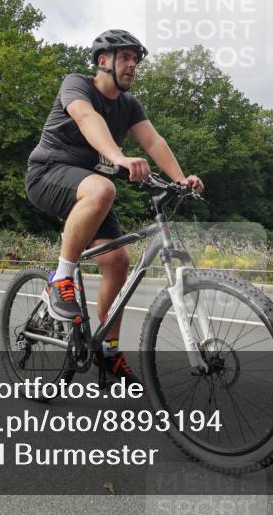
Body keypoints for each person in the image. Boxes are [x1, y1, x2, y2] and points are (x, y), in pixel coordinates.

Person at [25, 29, 203, 387]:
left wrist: (181, 179)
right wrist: (118, 156)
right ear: (103, 61)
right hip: (48, 174)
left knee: (118, 261)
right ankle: (60, 278)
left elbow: (153, 140)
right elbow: (88, 119)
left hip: (91, 191)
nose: (133, 66)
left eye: (136, 61)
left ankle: (108, 351)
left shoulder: (130, 105)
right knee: (103, 187)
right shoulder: (76, 84)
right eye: (126, 58)